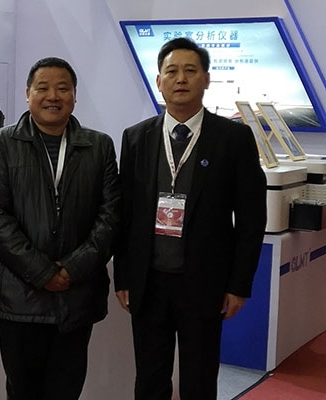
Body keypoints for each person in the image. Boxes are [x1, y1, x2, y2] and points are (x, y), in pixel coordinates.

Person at [114, 37, 267, 400]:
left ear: (206, 79)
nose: (180, 79)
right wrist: (124, 276)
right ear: (159, 81)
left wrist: (239, 284)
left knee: (199, 379)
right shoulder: (136, 138)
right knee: (150, 377)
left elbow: (251, 218)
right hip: (149, 283)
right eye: (172, 71)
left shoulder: (233, 138)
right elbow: (125, 214)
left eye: (190, 70)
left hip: (204, 283)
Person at [0, 57, 121, 400]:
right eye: (43, 88)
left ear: (74, 96)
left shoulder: (98, 146)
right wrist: (42, 272)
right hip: (19, 296)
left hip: (77, 295)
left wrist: (72, 269)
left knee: (66, 389)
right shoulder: (1, 143)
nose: (53, 96)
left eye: (62, 88)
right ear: (28, 94)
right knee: (22, 390)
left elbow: (111, 215)